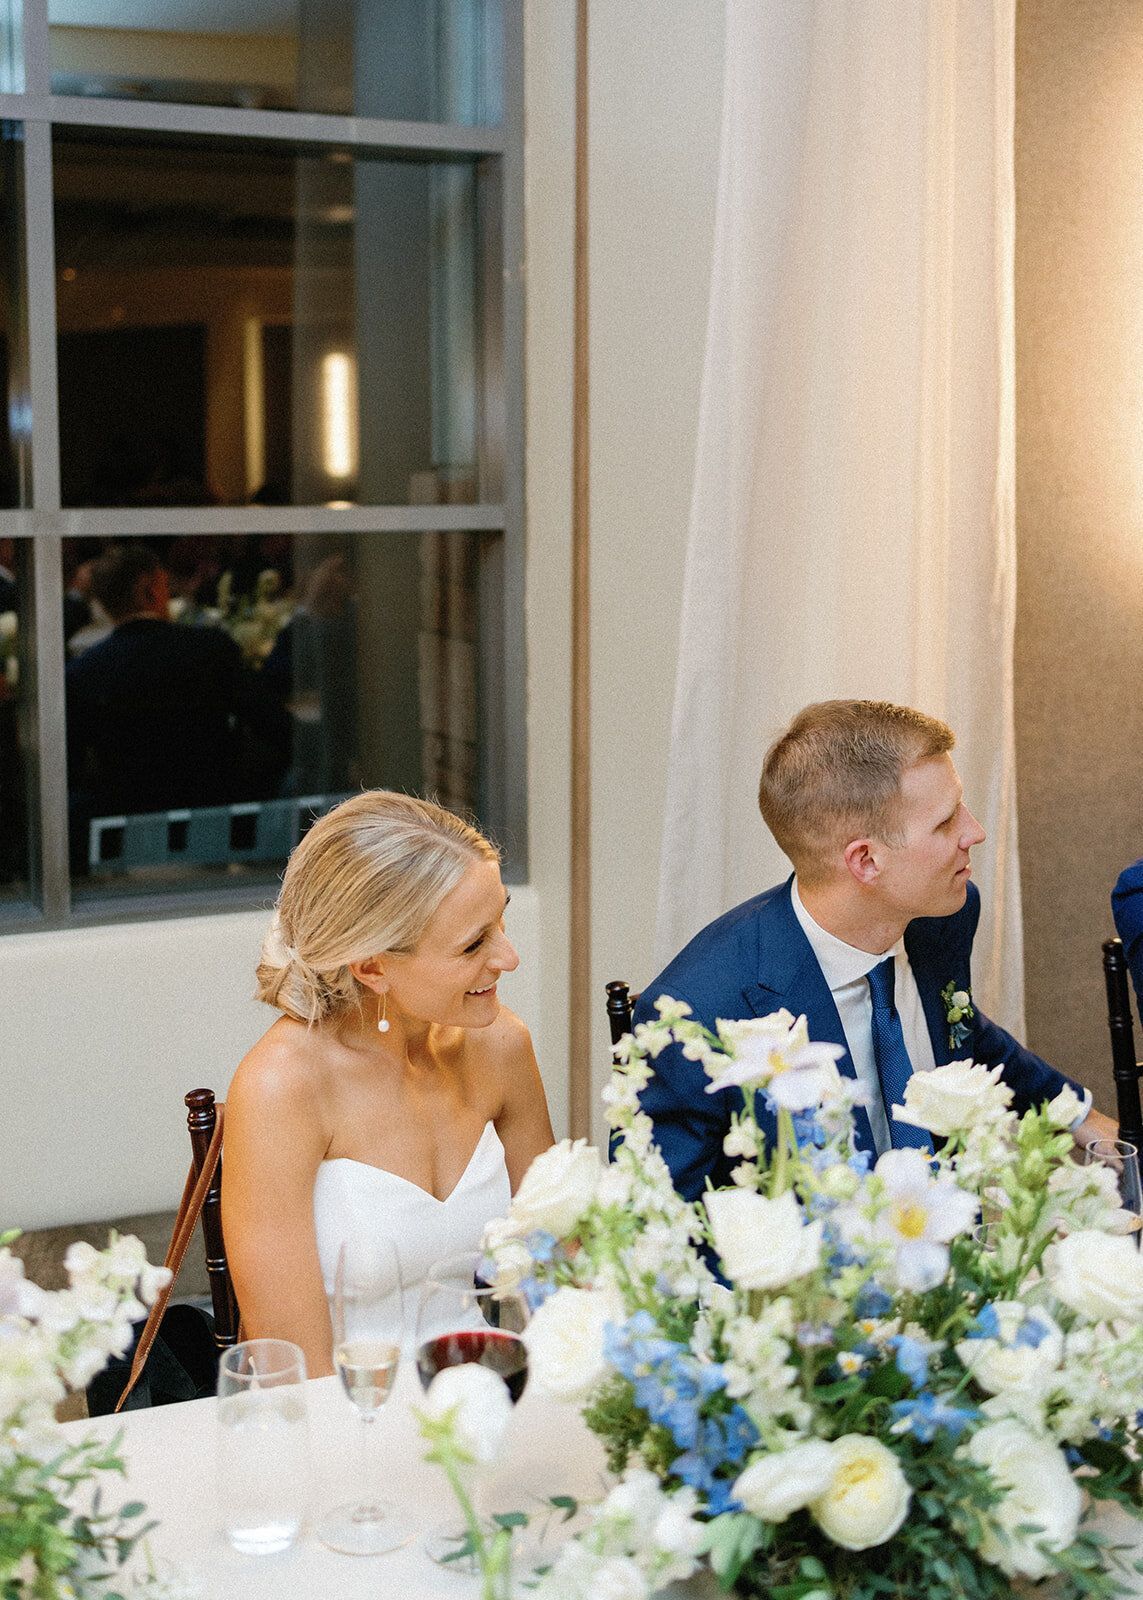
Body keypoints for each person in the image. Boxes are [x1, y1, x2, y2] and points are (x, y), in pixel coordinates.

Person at [636, 699, 1116, 1200]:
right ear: (865, 861)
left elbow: (960, 1026)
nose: (975, 831)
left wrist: (1081, 1115)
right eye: (946, 821)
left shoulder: (943, 913)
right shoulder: (704, 1015)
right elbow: (667, 1232)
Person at [221, 791, 553, 1375]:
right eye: (474, 943)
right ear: (372, 967)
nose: (509, 957)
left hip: (482, 1398)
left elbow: (560, 1270)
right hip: (343, 1417)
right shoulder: (282, 1086)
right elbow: (291, 1371)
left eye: (502, 920)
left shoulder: (501, 1045)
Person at [65, 543, 289, 859]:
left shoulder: (84, 673)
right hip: (217, 828)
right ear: (150, 591)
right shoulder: (210, 650)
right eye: (164, 585)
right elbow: (274, 726)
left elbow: (71, 773)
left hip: (128, 839)